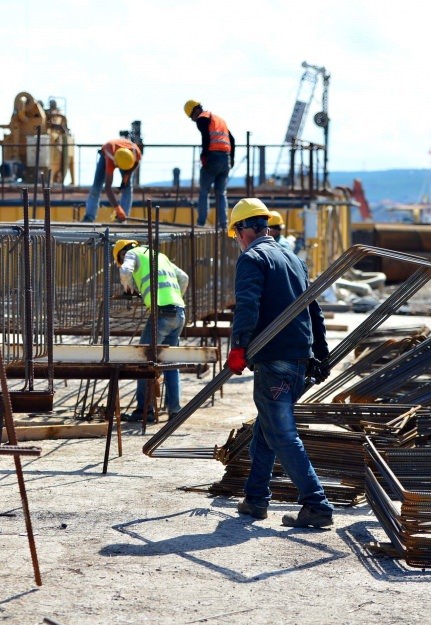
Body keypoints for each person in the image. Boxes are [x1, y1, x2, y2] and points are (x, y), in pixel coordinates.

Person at [224, 198, 334, 528]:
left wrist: (238, 346)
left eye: (236, 234)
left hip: (275, 360)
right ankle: (255, 499)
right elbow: (314, 309)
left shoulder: (252, 258)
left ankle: (317, 505)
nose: (238, 241)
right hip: (300, 356)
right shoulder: (293, 258)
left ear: (244, 230)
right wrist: (322, 353)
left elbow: (247, 305)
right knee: (267, 428)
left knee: (282, 433)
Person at [113, 239, 188, 423]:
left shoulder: (132, 254)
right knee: (170, 363)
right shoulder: (159, 255)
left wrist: (128, 286)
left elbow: (125, 271)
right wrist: (176, 297)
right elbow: (184, 278)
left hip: (162, 312)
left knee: (145, 360)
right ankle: (175, 411)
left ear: (122, 254)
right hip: (179, 312)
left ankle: (144, 410)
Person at [184, 99, 235, 229]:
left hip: (213, 157)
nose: (193, 120)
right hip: (226, 158)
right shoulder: (219, 120)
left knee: (204, 191)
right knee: (221, 193)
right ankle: (223, 224)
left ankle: (201, 223)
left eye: (191, 117)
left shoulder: (202, 119)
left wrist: (204, 155)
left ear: (194, 111)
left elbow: (206, 138)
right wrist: (232, 159)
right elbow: (232, 139)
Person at [83, 139, 142, 223]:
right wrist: (117, 208)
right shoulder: (111, 160)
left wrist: (123, 183)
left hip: (126, 157)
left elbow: (133, 168)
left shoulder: (136, 154)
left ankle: (122, 218)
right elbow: (108, 187)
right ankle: (89, 217)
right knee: (97, 186)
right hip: (106, 154)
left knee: (127, 187)